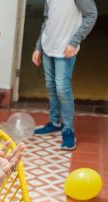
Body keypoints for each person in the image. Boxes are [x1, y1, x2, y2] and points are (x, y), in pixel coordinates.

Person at [32, 0, 97, 151]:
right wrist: (38, 47)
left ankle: (68, 130)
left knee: (62, 89)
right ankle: (54, 123)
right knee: (51, 86)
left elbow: (91, 14)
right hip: (48, 45)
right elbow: (47, 20)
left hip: (65, 48)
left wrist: (75, 41)